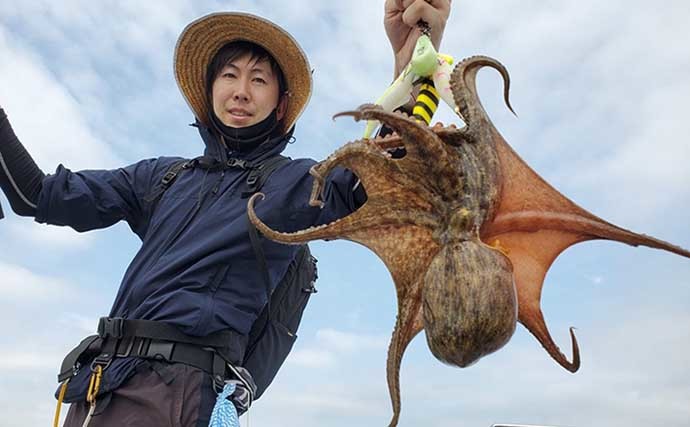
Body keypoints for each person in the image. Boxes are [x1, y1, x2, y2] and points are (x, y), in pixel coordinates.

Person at [0, 1, 451, 425]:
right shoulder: (161, 177)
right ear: (210, 89)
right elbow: (36, 195)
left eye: (258, 80)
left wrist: (409, 64)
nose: (240, 91)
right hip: (98, 389)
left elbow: (376, 175)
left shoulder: (291, 183)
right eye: (229, 75)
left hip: (178, 393)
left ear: (279, 103)